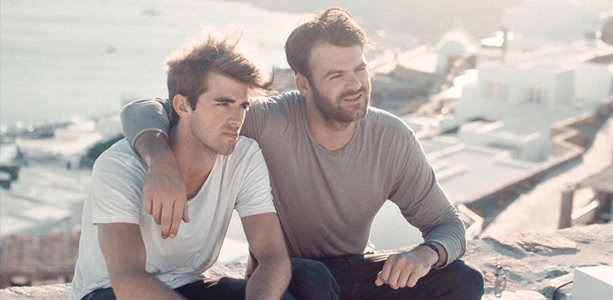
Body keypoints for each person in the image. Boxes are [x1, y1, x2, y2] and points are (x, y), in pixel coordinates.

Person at [120, 8, 484, 299]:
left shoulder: (393, 139)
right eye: (336, 76)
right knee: (313, 276)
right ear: (304, 85)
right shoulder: (266, 120)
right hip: (293, 279)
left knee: (464, 281)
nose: (355, 85)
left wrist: (426, 254)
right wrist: (160, 161)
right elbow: (146, 107)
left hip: (357, 271)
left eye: (360, 69)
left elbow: (448, 225)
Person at [70, 35, 297, 300]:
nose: (236, 119)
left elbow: (273, 258)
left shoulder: (244, 156)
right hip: (108, 293)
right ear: (182, 105)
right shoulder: (120, 167)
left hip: (187, 285)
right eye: (222, 104)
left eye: (243, 106)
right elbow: (128, 283)